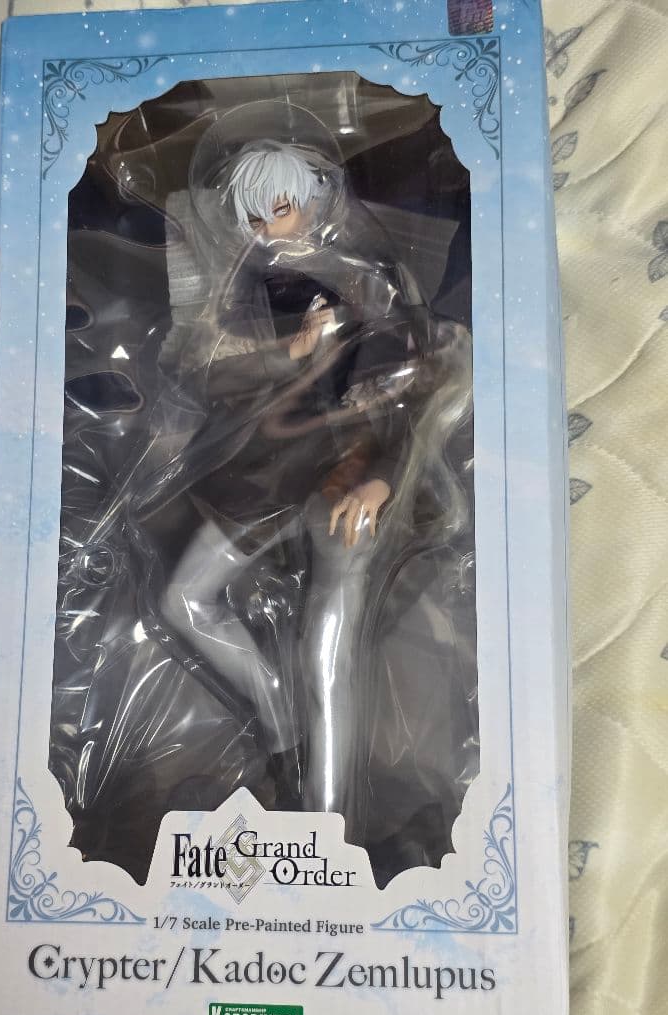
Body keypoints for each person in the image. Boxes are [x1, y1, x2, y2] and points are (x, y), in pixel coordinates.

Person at [150, 116, 471, 842]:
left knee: (327, 653)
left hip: (345, 477)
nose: (267, 228)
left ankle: (325, 826)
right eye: (253, 217)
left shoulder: (368, 282)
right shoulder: (244, 288)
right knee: (183, 600)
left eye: (280, 209)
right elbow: (209, 375)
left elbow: (411, 394)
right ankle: (280, 729)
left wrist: (382, 479)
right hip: (268, 472)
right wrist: (287, 353)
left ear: (315, 200)